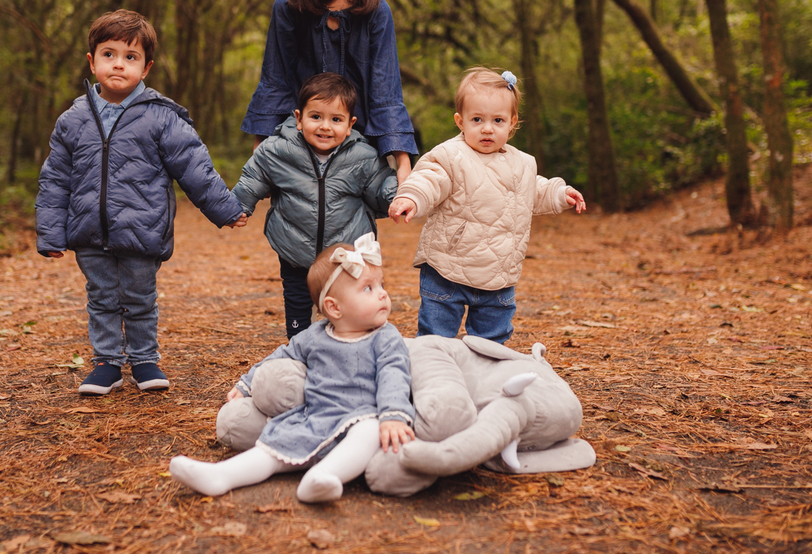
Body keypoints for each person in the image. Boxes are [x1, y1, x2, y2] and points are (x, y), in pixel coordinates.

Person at [36, 10, 247, 396]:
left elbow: (193, 166)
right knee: (100, 297)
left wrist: (225, 208)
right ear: (92, 61)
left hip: (141, 229)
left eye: (130, 57)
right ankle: (107, 364)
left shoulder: (161, 117)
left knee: (138, 296)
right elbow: (55, 178)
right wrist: (51, 233)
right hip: (87, 230)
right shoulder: (73, 119)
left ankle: (145, 358)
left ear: (146, 67)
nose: (118, 63)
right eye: (109, 54)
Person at [170, 234, 415, 502]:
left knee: (368, 432)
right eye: (368, 288)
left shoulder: (385, 337)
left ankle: (322, 477)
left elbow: (395, 374)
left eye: (382, 284)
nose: (383, 293)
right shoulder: (315, 336)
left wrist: (393, 415)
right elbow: (280, 356)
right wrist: (246, 383)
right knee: (275, 444)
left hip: (362, 416)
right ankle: (220, 475)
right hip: (316, 416)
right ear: (334, 308)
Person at [388, 67, 586, 344]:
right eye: (477, 119)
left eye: (498, 120)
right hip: (448, 269)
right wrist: (411, 197)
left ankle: (487, 376)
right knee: (435, 337)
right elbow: (430, 180)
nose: (487, 128)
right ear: (460, 121)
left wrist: (559, 194)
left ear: (512, 123)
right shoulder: (450, 156)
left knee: (492, 341)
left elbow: (534, 190)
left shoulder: (523, 163)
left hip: (499, 274)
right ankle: (431, 377)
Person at [241, 0, 418, 183]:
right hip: (297, 149)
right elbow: (275, 81)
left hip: (357, 151)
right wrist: (260, 154)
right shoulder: (288, 6)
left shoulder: (377, 10)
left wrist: (402, 163)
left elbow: (385, 90)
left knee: (356, 229)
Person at [234, 72, 397, 338]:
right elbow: (254, 177)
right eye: (316, 117)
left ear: (350, 124)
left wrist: (399, 198)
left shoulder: (363, 156)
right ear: (299, 119)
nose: (325, 126)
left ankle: (350, 347)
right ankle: (301, 349)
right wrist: (239, 206)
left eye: (336, 119)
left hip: (344, 255)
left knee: (349, 306)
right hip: (295, 250)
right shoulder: (278, 150)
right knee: (299, 308)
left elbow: (380, 184)